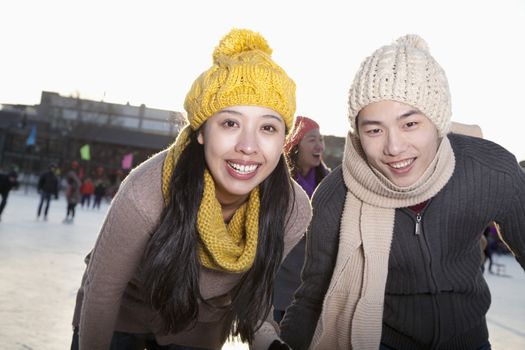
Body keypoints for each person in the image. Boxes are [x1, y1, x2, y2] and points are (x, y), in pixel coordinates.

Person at [71, 28, 312, 350]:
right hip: (121, 315)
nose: (248, 146)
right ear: (201, 132)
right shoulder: (148, 190)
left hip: (199, 330)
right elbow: (103, 290)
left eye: (267, 127)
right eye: (230, 123)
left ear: (284, 139)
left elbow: (254, 295)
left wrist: (269, 342)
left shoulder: (292, 208)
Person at [279, 35, 525, 350]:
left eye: (410, 124)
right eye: (374, 130)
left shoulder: (489, 170)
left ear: (437, 122)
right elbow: (312, 298)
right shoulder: (335, 197)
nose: (394, 148)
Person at [273, 116, 329, 323]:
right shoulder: (277, 185)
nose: (320, 145)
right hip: (279, 290)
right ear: (295, 145)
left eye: (321, 139)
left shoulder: (329, 184)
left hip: (315, 290)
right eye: (312, 139)